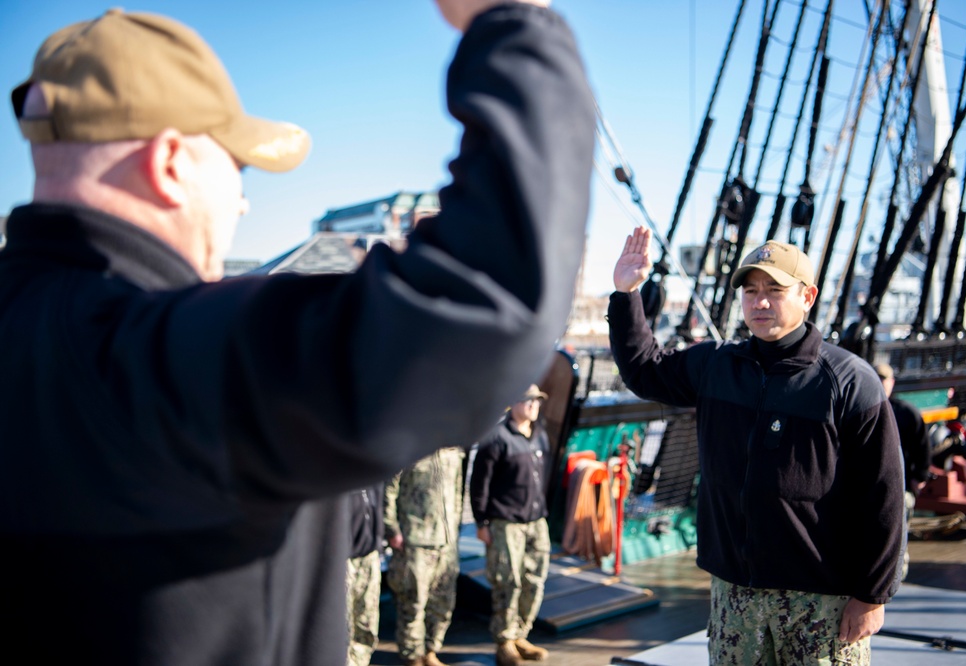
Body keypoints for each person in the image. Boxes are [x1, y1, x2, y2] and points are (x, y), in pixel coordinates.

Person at [0, 3, 595, 664]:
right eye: (238, 170)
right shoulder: (164, 354)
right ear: (170, 164)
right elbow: (492, 299)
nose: (243, 203)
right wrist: (509, 20)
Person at [607, 227, 905, 665]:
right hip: (735, 598)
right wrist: (626, 294)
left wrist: (872, 595)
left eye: (774, 290)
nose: (759, 301)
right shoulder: (716, 365)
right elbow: (645, 370)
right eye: (750, 290)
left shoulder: (849, 381)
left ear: (808, 296)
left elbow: (885, 495)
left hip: (822, 601)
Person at [470, 385, 552, 666]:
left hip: (536, 521)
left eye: (536, 401)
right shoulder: (496, 438)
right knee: (508, 583)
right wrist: (482, 522)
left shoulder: (540, 435)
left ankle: (520, 634)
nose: (532, 405)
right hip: (506, 523)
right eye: (527, 400)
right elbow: (479, 484)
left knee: (535, 581)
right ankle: (504, 641)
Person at [383, 447, 467, 666]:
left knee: (443, 602)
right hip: (415, 540)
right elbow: (389, 489)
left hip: (445, 541)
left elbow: (457, 491)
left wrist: (455, 528)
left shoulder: (453, 449)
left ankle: (430, 651)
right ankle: (412, 656)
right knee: (412, 602)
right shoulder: (411, 445)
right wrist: (392, 529)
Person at [875, 363, 931, 580]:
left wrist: (920, 477)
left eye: (884, 379)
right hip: (872, 487)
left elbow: (923, 447)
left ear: (892, 382)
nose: (880, 383)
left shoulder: (906, 412)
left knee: (899, 534)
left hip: (902, 487)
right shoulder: (861, 409)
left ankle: (897, 576)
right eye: (876, 378)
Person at [347, 484, 386, 666]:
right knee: (343, 624)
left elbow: (377, 505)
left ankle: (361, 662)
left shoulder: (371, 473)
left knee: (367, 620)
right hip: (343, 559)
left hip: (369, 554)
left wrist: (378, 544)